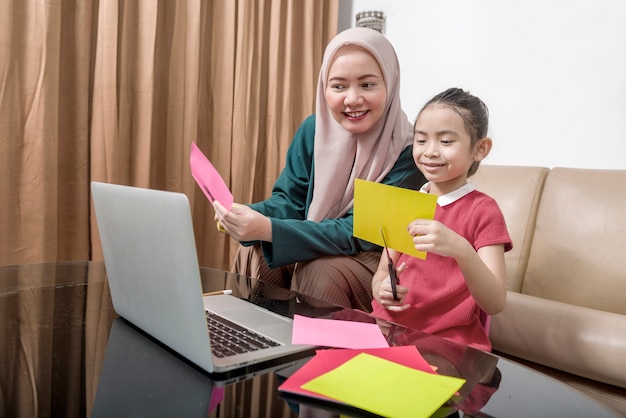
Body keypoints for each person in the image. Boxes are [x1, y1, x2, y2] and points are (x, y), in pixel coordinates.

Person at [212, 27, 425, 311]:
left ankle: (322, 353)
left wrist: (271, 229)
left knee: (320, 271)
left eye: (367, 85)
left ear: (391, 83)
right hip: (320, 242)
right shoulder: (313, 130)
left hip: (377, 259)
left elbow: (357, 232)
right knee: (256, 251)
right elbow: (291, 200)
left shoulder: (411, 151)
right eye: (338, 86)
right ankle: (257, 343)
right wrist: (249, 214)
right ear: (324, 87)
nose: (352, 99)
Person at [371, 87, 512, 351]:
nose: (430, 152)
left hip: (447, 344)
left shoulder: (483, 210)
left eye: (446, 142)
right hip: (386, 331)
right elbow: (382, 273)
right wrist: (381, 289)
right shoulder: (405, 202)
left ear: (480, 148)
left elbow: (495, 303)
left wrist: (460, 249)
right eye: (421, 140)